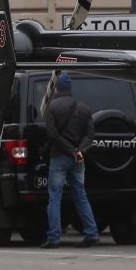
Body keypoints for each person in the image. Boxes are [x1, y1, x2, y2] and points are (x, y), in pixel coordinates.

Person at [41, 73, 101, 249]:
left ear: (57, 88)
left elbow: (52, 134)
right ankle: (92, 233)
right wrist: (80, 151)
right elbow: (90, 134)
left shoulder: (52, 107)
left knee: (54, 197)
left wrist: (70, 150)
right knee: (81, 195)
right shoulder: (83, 108)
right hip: (78, 159)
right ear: (70, 88)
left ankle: (54, 237)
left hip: (60, 156)